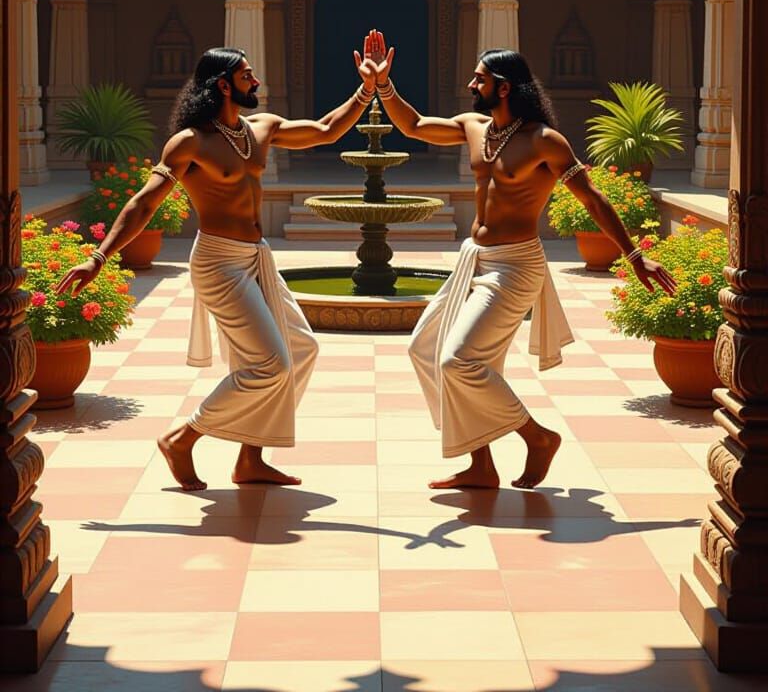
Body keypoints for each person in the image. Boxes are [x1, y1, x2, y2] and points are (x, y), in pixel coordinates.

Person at [359, 30, 676, 491]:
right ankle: (481, 466)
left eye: (480, 79)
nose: (472, 85)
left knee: (458, 361)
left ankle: (537, 437)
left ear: (504, 87)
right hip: (475, 260)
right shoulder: (474, 127)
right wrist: (383, 86)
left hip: (515, 266)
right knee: (426, 349)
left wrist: (634, 255)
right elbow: (414, 125)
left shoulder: (545, 141)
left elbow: (592, 199)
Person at [56, 45, 381, 491]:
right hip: (218, 263)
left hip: (256, 257)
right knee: (270, 364)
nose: (256, 81)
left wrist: (366, 90)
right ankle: (182, 438)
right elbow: (145, 203)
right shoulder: (191, 142)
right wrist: (99, 257)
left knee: (301, 349)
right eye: (247, 75)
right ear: (223, 85)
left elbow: (326, 130)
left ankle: (251, 458)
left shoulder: (260, 128)